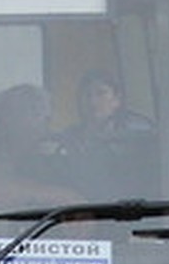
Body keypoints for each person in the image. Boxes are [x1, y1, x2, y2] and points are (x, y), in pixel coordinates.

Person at [58, 69, 159, 199]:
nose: (92, 101)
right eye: (87, 95)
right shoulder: (68, 138)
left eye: (101, 93)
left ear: (117, 99)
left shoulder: (137, 138)